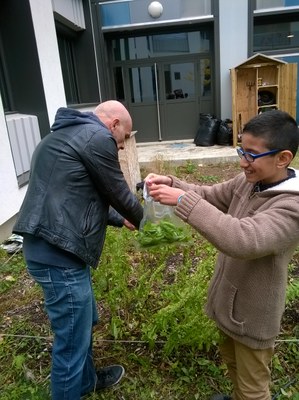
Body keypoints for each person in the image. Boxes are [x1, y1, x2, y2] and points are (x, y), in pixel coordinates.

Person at [144, 110, 299, 400]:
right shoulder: (250, 181)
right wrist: (173, 184)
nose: (242, 161)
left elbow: (243, 240)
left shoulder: (291, 207)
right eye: (242, 149)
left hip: (254, 317)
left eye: (251, 154)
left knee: (254, 389)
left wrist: (183, 202)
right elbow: (211, 195)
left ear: (282, 158)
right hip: (229, 307)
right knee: (232, 364)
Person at [13, 101, 143, 400]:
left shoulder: (62, 136)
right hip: (58, 254)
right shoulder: (96, 138)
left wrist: (119, 219)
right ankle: (73, 385)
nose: (121, 148)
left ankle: (85, 382)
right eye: (122, 139)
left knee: (84, 322)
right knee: (71, 342)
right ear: (113, 125)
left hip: (55, 248)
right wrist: (151, 224)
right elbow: (118, 192)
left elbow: (75, 193)